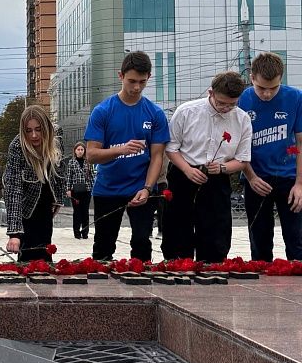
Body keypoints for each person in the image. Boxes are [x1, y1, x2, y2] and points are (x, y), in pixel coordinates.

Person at [84, 51, 169, 261]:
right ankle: (102, 291)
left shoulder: (155, 114)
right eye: (132, 81)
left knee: (141, 243)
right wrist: (120, 150)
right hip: (108, 188)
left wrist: (148, 188)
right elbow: (91, 155)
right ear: (120, 76)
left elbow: (157, 156)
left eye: (142, 81)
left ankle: (144, 289)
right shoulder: (103, 111)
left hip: (140, 188)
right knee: (103, 245)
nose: (136, 87)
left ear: (149, 77)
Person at [162, 72, 251, 262]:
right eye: (221, 103)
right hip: (183, 172)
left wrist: (223, 168)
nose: (226, 108)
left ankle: (212, 266)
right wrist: (187, 169)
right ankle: (178, 265)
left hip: (217, 177)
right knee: (178, 227)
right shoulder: (187, 111)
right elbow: (171, 147)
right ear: (210, 92)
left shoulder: (242, 119)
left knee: (216, 231)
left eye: (231, 104)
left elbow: (243, 159)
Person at [238, 52, 302, 261]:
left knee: (296, 239)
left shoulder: (295, 98)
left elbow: (300, 143)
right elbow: (237, 147)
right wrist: (251, 177)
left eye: (273, 88)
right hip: (256, 177)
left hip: (289, 177)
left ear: (281, 79)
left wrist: (300, 184)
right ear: (252, 78)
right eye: (261, 88)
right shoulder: (242, 99)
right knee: (260, 241)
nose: (267, 94)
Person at [5, 105, 65, 262]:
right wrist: (15, 234)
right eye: (28, 130)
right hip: (26, 208)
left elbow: (60, 172)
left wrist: (58, 199)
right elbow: (13, 189)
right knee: (27, 257)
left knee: (45, 254)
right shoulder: (17, 147)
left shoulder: (56, 138)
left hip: (46, 206)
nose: (33, 135)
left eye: (38, 129)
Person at [65, 141, 94, 239]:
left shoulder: (88, 161)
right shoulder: (71, 162)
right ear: (75, 151)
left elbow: (92, 175)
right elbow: (69, 176)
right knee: (77, 212)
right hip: (75, 191)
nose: (80, 151)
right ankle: (76, 232)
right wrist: (68, 189)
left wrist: (93, 187)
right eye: (78, 149)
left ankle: (85, 232)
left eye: (82, 149)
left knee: (85, 211)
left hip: (87, 190)